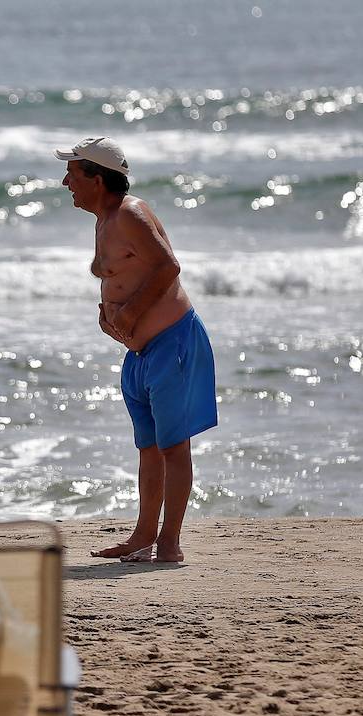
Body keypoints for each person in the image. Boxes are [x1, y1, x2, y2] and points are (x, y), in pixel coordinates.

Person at [56, 137, 217, 563]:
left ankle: (170, 543)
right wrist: (113, 321)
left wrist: (128, 315)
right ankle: (144, 536)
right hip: (141, 353)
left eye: (72, 174)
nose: (65, 182)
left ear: (97, 177)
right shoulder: (105, 218)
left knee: (173, 447)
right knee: (148, 447)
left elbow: (167, 266)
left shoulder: (130, 212)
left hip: (174, 343)